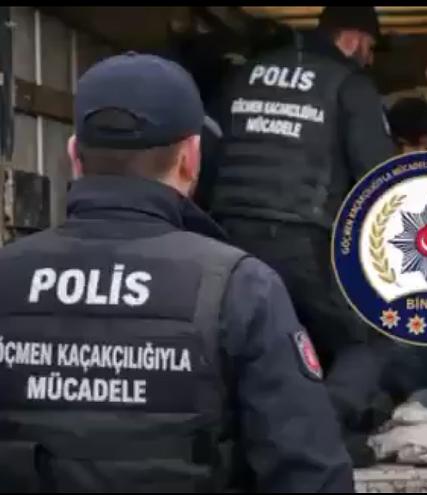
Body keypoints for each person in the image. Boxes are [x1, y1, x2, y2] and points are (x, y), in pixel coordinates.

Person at [0, 53, 352, 492]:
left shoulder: (7, 276)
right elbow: (310, 474)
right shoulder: (240, 287)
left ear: (74, 155)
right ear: (190, 158)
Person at [207, 5, 397, 451]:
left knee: (248, 342)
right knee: (371, 337)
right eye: (370, 48)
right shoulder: (349, 84)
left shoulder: (243, 76)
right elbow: (378, 179)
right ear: (352, 39)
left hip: (228, 237)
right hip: (303, 239)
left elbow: (205, 156)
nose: (369, 59)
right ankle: (316, 437)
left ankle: (238, 440)